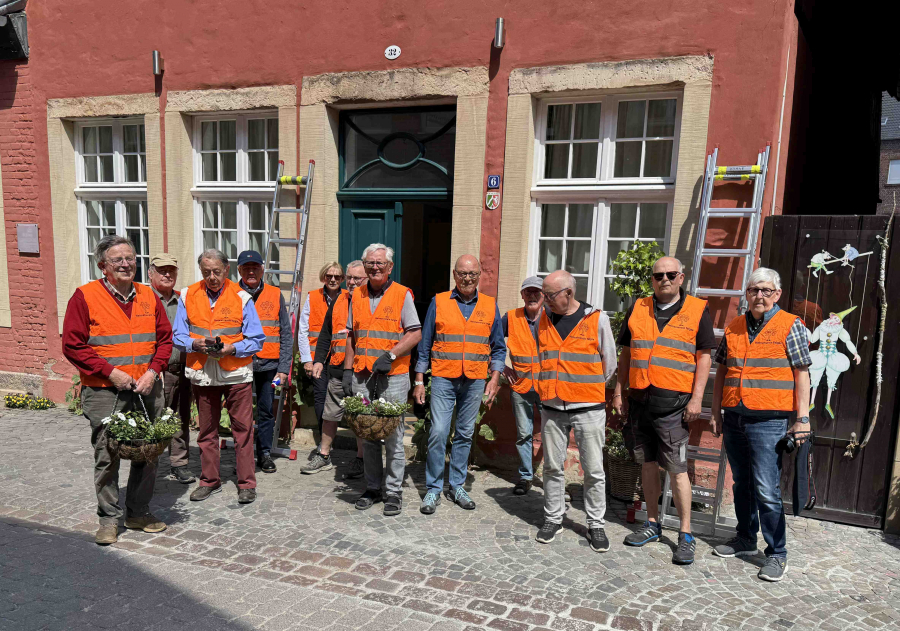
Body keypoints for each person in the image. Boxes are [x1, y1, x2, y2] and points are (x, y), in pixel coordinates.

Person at [62, 235, 173, 545]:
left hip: (146, 387)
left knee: (149, 451)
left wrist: (153, 371)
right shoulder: (84, 297)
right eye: (118, 260)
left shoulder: (148, 295)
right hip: (104, 391)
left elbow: (165, 340)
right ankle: (108, 519)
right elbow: (72, 345)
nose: (126, 264)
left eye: (130, 258)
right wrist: (110, 373)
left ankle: (138, 512)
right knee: (107, 454)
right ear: (103, 266)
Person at [710, 267, 811, 582]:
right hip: (734, 416)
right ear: (747, 293)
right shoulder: (735, 326)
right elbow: (722, 370)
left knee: (766, 488)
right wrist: (715, 412)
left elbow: (802, 373)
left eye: (766, 290)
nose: (759, 296)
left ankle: (777, 553)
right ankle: (745, 538)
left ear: (777, 294)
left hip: (769, 420)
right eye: (754, 290)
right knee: (742, 483)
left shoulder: (790, 325)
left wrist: (803, 418)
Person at [613, 257, 716, 565]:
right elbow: (626, 354)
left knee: (677, 469)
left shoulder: (697, 309)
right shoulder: (638, 307)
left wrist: (697, 399)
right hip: (640, 402)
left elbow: (704, 357)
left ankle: (686, 534)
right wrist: (619, 391)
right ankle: (652, 524)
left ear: (681, 277)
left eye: (671, 274)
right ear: (652, 280)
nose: (664, 280)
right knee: (646, 464)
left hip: (674, 406)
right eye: (658, 276)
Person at [413, 255, 506, 514]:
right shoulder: (439, 301)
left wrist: (494, 377)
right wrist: (419, 380)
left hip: (475, 379)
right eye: (462, 273)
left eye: (472, 274)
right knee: (438, 432)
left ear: (479, 276)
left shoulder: (489, 305)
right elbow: (425, 345)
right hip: (444, 377)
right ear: (454, 274)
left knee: (465, 434)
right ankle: (433, 488)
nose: (467, 278)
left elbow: (499, 348)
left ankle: (456, 485)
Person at [172, 249, 265, 505]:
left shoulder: (242, 297)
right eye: (206, 272)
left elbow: (257, 339)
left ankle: (246, 484)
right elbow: (177, 335)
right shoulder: (188, 295)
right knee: (207, 431)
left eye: (216, 271)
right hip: (202, 372)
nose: (211, 277)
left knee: (243, 431)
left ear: (226, 269)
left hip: (236, 373)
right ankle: (209, 481)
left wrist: (232, 349)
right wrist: (194, 344)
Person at [533, 271, 617, 552]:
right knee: (552, 467)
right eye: (543, 294)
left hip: (588, 407)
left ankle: (596, 524)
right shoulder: (543, 318)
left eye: (549, 295)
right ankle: (553, 518)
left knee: (593, 469)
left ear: (568, 293)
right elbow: (541, 355)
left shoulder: (597, 319)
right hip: (552, 405)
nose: (544, 299)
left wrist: (586, 387)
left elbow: (609, 363)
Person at [342, 244, 422, 517]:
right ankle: (373, 488)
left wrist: (391, 354)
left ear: (390, 267)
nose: (375, 267)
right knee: (368, 435)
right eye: (370, 263)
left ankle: (394, 492)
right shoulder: (357, 294)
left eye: (380, 263)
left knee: (393, 438)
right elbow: (351, 335)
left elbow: (415, 333)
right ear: (364, 266)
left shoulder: (402, 294)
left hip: (393, 377)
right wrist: (347, 371)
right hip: (362, 375)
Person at [305, 260, 368, 476]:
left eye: (356, 278)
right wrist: (318, 361)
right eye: (349, 278)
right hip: (337, 369)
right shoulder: (339, 300)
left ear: (366, 278)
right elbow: (325, 334)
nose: (351, 282)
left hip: (362, 371)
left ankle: (361, 459)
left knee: (359, 417)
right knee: (330, 415)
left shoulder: (370, 302)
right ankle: (323, 455)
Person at [237, 250, 292, 474]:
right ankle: (243, 457)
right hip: (239, 364)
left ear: (262, 269)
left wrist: (283, 369)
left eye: (255, 267)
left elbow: (286, 334)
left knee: (266, 410)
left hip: (270, 367)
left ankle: (265, 453)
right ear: (239, 270)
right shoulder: (231, 293)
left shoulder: (275, 294)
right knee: (240, 413)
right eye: (246, 268)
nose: (251, 271)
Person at [148, 253, 195, 484]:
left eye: (171, 271)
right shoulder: (144, 299)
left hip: (183, 369)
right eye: (162, 270)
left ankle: (179, 464)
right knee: (155, 418)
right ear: (151, 273)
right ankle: (148, 465)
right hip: (156, 371)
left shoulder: (182, 300)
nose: (167, 274)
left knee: (180, 418)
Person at [501, 276, 545, 496]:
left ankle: (554, 480)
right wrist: (502, 367)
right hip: (520, 385)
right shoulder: (510, 317)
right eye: (528, 292)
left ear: (544, 295)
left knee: (553, 435)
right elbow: (490, 342)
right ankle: (526, 476)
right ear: (522, 295)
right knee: (524, 434)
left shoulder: (553, 317)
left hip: (548, 386)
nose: (532, 296)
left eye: (536, 292)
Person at [298, 262, 349, 437]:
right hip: (317, 358)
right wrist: (307, 359)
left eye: (337, 276)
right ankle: (324, 438)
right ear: (323, 277)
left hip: (339, 358)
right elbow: (303, 330)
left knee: (343, 396)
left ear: (342, 279)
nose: (333, 279)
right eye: (329, 276)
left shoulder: (348, 297)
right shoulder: (313, 297)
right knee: (320, 397)